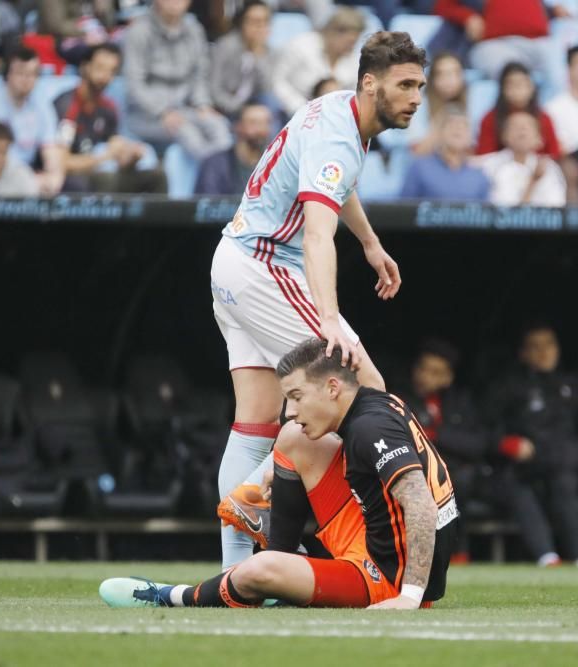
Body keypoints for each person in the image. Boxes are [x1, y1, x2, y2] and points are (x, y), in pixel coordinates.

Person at [208, 31, 420, 570]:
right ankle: (365, 535)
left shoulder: (335, 111)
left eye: (419, 84)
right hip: (267, 267)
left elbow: (334, 185)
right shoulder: (338, 137)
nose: (416, 96)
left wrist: (370, 242)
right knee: (366, 387)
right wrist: (328, 319)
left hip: (232, 264)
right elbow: (316, 235)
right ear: (370, 84)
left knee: (255, 420)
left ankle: (237, 571)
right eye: (405, 85)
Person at [99, 338, 459, 609]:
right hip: (377, 538)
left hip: (386, 576)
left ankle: (171, 597)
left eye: (298, 396)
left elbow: (422, 504)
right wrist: (281, 465)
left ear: (333, 387)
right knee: (292, 438)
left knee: (259, 570)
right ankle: (282, 573)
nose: (290, 410)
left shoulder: (369, 429)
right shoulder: (376, 403)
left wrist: (410, 596)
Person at [483, 324, 578, 567]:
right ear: (523, 353)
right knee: (514, 483)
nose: (544, 352)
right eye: (536, 346)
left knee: (565, 480)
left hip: (564, 465)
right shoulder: (508, 387)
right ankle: (548, 556)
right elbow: (486, 431)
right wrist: (509, 444)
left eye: (549, 345)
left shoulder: (572, 385)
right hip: (522, 468)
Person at [400, 339, 486, 561]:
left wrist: (436, 435)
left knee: (460, 480)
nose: (425, 376)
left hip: (458, 472)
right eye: (423, 369)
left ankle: (458, 551)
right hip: (418, 471)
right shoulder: (400, 399)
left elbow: (478, 443)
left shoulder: (461, 402)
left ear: (448, 377)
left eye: (435, 372)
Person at [123, 0, 233, 161]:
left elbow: (199, 75)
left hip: (185, 110)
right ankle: (215, 179)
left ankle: (221, 179)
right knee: (187, 132)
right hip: (147, 115)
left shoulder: (194, 29)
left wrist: (202, 105)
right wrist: (162, 111)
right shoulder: (138, 31)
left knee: (219, 125)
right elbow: (134, 85)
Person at [54, 44, 165, 194]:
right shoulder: (67, 106)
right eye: (100, 68)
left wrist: (130, 157)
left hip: (104, 172)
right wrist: (104, 158)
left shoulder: (109, 108)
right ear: (85, 67)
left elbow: (114, 151)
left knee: (156, 175)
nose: (105, 76)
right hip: (73, 178)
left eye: (111, 71)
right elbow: (61, 162)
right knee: (107, 178)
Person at [0, 46, 66, 195]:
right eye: (21, 73)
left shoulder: (42, 105)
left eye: (32, 74)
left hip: (27, 175)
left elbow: (51, 151)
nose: (26, 80)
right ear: (7, 74)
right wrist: (25, 180)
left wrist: (54, 177)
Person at [272, 7, 365, 116]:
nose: (352, 47)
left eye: (355, 42)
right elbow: (277, 81)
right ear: (333, 33)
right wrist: (300, 107)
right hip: (291, 109)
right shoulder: (300, 46)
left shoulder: (354, 58)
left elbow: (354, 93)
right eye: (350, 41)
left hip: (332, 114)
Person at [432, 0, 552, 83]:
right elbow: (443, 6)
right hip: (494, 45)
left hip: (538, 42)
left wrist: (554, 11)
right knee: (511, 76)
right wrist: (467, 17)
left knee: (559, 73)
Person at [473, 111, 566, 207]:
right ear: (504, 136)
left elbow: (556, 209)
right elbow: (505, 214)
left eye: (528, 126)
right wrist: (533, 181)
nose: (522, 129)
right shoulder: (490, 166)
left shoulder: (550, 168)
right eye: (515, 126)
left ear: (539, 139)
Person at [400, 107, 490, 200]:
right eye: (451, 124)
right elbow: (403, 209)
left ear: (471, 138)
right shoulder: (419, 168)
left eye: (464, 126)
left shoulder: (479, 176)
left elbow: (484, 212)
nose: (458, 129)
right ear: (439, 133)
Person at [388, 52, 467, 156]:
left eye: (454, 73)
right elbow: (418, 152)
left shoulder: (473, 102)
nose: (449, 80)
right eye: (442, 74)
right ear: (433, 79)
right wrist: (443, 118)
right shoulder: (417, 106)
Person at [476, 62, 560, 159]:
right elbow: (484, 157)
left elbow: (554, 154)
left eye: (522, 83)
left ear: (531, 87)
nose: (517, 88)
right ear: (503, 89)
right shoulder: (490, 119)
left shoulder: (544, 118)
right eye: (511, 84)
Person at [210, 0, 275, 118]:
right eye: (255, 22)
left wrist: (258, 55)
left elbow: (266, 88)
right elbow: (215, 90)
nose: (260, 27)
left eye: (265, 22)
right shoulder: (225, 46)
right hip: (225, 109)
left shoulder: (267, 50)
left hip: (252, 108)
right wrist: (240, 110)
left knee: (271, 104)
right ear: (242, 23)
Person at [195, 102, 274, 195]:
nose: (261, 129)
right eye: (254, 123)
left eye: (266, 123)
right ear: (238, 127)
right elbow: (207, 203)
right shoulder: (215, 164)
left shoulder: (274, 165)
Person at [36, 0, 115, 66]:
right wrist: (86, 32)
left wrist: (103, 7)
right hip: (60, 42)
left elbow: (109, 24)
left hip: (91, 38)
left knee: (113, 48)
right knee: (95, 54)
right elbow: (56, 25)